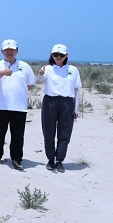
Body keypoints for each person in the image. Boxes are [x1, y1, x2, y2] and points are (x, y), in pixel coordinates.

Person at [0, 39, 35, 171]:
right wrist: (4, 72)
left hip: (19, 107)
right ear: (2, 51)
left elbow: (30, 84)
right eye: (6, 50)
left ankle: (16, 158)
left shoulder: (25, 66)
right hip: (1, 106)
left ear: (17, 50)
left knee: (17, 135)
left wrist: (18, 92)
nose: (9, 52)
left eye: (12, 50)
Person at [37, 44, 82, 173]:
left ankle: (60, 161)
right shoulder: (47, 68)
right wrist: (40, 74)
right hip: (50, 101)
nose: (58, 57)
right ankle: (51, 159)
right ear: (51, 55)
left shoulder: (73, 70)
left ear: (66, 56)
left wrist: (76, 109)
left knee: (65, 133)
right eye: (55, 54)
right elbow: (41, 80)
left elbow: (76, 90)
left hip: (67, 103)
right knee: (48, 132)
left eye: (61, 55)